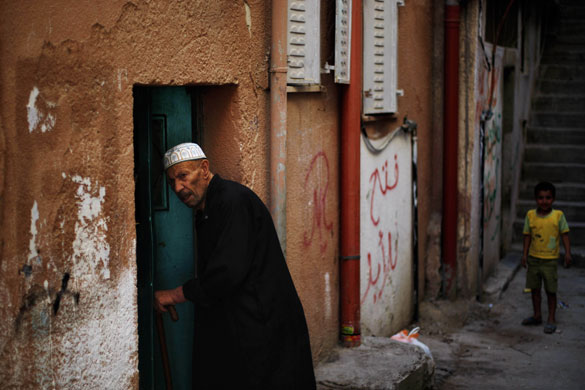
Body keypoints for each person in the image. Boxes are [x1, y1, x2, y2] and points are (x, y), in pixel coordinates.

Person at [154, 142, 316, 389]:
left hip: (262, 323)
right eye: (171, 182)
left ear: (205, 169)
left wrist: (176, 295)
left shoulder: (233, 201)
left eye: (183, 176)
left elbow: (226, 273)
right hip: (243, 323)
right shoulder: (208, 209)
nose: (177, 188)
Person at [521, 181, 572, 334]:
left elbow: (565, 235)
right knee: (535, 289)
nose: (544, 201)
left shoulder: (558, 216)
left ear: (553, 199)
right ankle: (537, 315)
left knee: (551, 290)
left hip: (549, 260)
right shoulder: (530, 215)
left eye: (548, 198)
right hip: (534, 259)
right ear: (536, 199)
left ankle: (551, 318)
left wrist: (568, 253)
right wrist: (524, 255)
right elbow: (527, 236)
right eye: (541, 198)